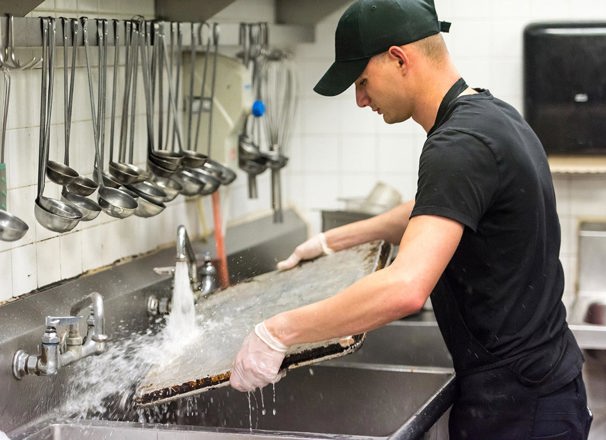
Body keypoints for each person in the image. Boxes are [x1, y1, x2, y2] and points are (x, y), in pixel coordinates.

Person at [229, 0, 593, 438]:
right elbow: (439, 208)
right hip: (541, 387)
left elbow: (405, 289)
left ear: (399, 58)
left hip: (517, 408)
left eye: (362, 81)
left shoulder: (457, 143)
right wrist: (334, 240)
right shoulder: (491, 115)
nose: (361, 100)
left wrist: (277, 332)